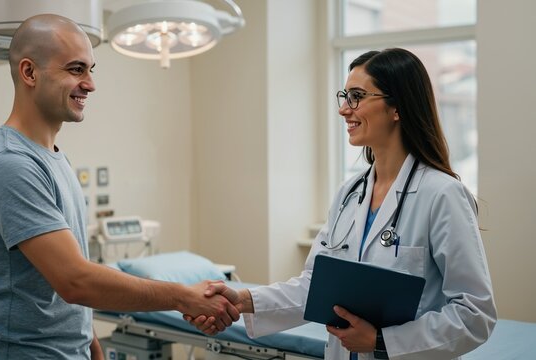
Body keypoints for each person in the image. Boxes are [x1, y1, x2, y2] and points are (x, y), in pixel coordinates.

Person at [187, 48, 496, 360]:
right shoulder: (350, 193)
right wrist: (242, 300)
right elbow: (314, 288)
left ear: (396, 107)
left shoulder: (442, 194)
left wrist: (382, 341)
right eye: (344, 96)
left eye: (357, 96)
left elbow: (475, 313)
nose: (344, 110)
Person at [0, 14, 239, 360]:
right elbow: (75, 280)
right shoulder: (10, 164)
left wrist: (90, 343)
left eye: (91, 69)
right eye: (76, 69)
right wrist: (183, 296)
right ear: (29, 72)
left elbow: (62, 280)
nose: (90, 84)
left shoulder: (53, 159)